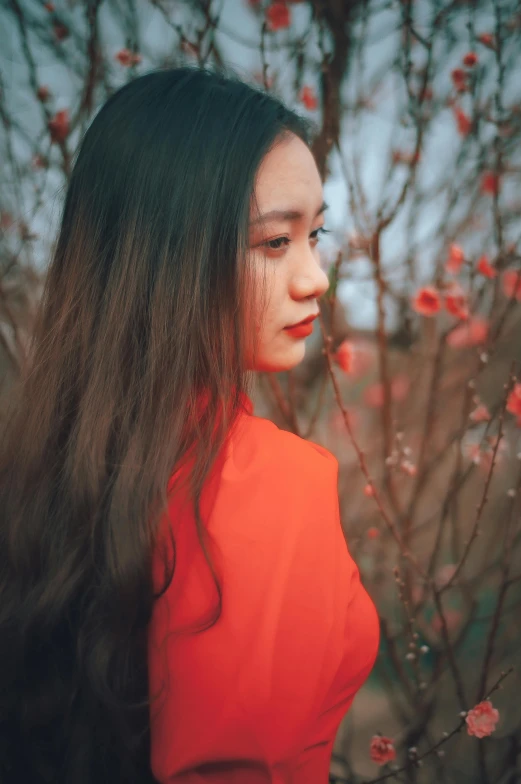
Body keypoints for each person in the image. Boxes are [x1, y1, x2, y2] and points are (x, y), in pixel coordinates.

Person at [0, 65, 379, 784]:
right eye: (275, 243)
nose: (316, 277)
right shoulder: (273, 485)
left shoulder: (45, 464)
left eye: (315, 234)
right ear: (167, 257)